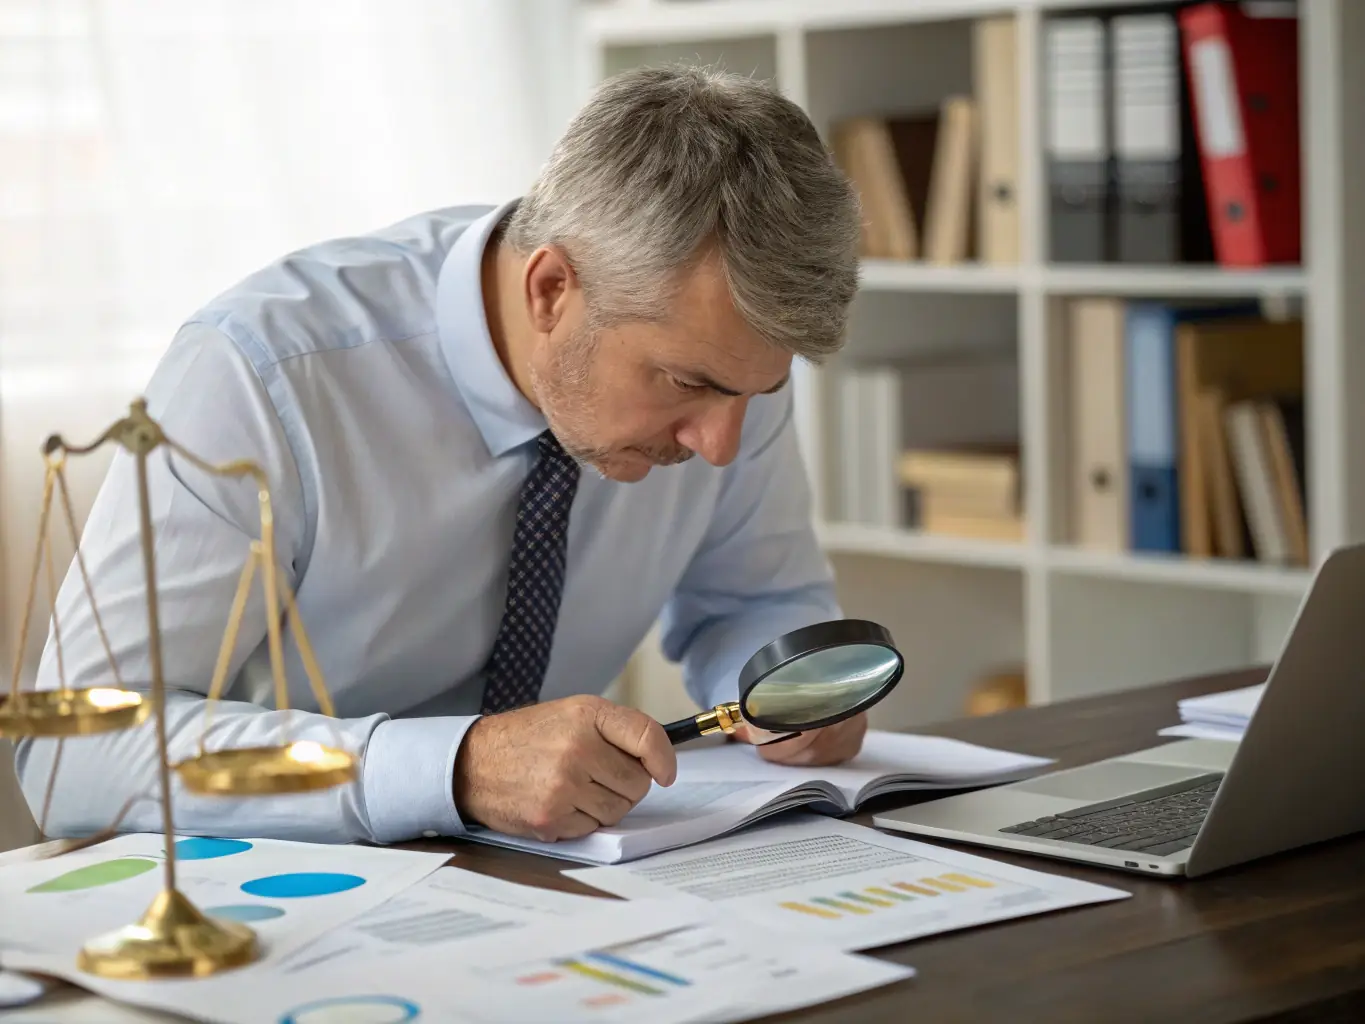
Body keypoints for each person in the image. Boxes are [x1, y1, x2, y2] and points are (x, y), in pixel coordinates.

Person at [16, 63, 864, 847]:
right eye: (686, 383)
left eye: (755, 394)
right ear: (550, 290)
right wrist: (452, 770)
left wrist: (789, 682)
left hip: (566, 882)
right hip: (266, 893)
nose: (720, 445)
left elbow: (752, 601)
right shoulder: (264, 372)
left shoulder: (725, 373)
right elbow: (73, 753)